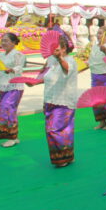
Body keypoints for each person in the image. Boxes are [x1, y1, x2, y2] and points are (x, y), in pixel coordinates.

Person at [31, 35, 78, 167]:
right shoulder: (50, 60)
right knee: (58, 130)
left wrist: (60, 58)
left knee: (54, 129)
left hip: (64, 101)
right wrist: (34, 82)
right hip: (50, 98)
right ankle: (66, 156)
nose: (54, 51)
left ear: (64, 48)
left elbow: (67, 69)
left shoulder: (70, 61)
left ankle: (62, 158)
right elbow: (44, 75)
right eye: (53, 48)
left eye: (57, 48)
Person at [0, 33, 25, 147]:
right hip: (3, 87)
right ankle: (13, 136)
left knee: (7, 108)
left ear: (13, 42)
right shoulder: (1, 55)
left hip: (14, 87)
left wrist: (11, 70)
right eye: (2, 41)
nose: (3, 43)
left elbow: (19, 67)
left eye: (6, 41)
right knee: (3, 110)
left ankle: (12, 137)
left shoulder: (18, 54)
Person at [88, 26, 106, 130]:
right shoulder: (95, 46)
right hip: (95, 75)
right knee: (96, 100)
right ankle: (101, 121)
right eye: (98, 33)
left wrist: (105, 50)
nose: (98, 35)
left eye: (101, 33)